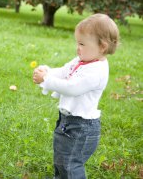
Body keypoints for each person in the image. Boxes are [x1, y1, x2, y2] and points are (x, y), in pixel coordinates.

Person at [33, 13, 119, 179]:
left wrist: (47, 80)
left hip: (81, 127)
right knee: (61, 159)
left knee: (70, 163)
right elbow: (65, 71)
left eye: (81, 43)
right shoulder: (83, 60)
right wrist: (48, 72)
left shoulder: (97, 71)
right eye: (77, 43)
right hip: (68, 121)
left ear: (102, 46)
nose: (77, 48)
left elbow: (72, 88)